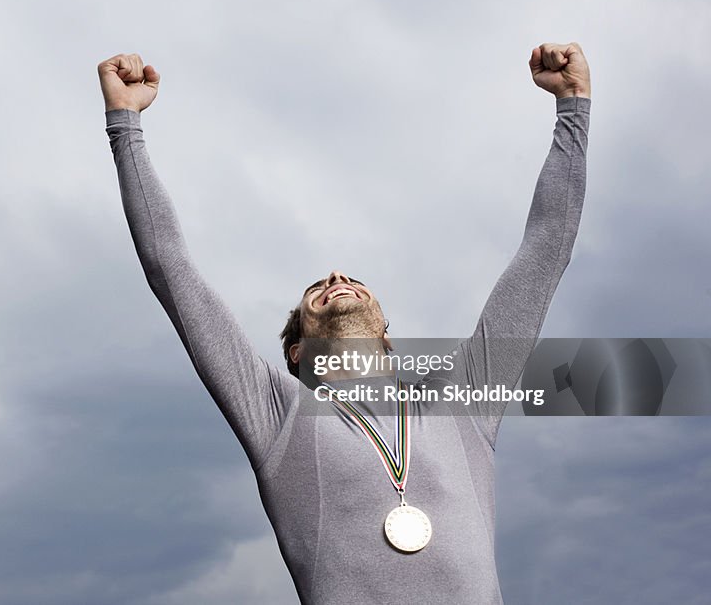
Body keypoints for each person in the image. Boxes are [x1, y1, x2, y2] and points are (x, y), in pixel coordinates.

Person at [98, 43, 591, 604]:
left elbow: (545, 249)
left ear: (385, 332)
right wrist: (125, 125)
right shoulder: (278, 415)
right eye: (314, 293)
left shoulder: (462, 401)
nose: (334, 275)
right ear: (296, 355)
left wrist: (572, 108)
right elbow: (171, 271)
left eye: (351, 278)